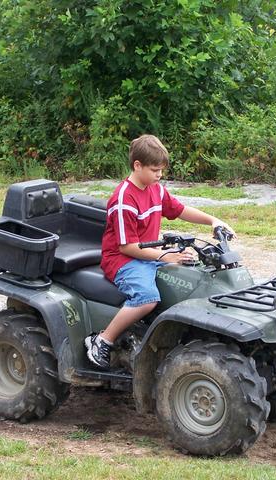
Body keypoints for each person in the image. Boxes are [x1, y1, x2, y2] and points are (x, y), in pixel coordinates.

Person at [85, 134, 235, 369]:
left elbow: (181, 210)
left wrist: (213, 221)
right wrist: (167, 256)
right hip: (123, 260)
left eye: (161, 170)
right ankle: (103, 340)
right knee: (147, 298)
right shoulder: (124, 198)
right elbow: (127, 247)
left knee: (192, 274)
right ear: (137, 165)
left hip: (149, 254)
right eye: (155, 170)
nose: (159, 175)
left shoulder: (155, 189)